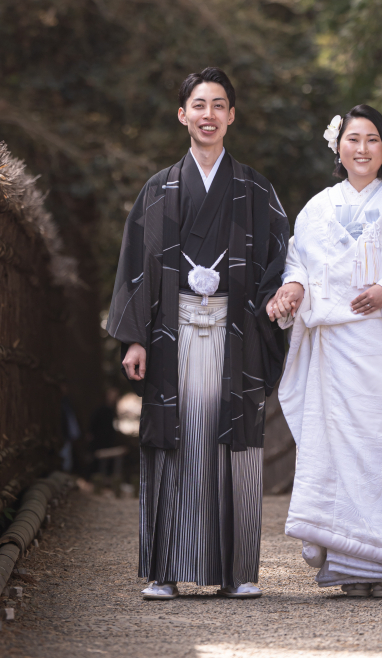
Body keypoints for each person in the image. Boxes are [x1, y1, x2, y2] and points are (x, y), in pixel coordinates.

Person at [106, 67, 289, 600]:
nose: (208, 114)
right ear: (182, 114)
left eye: (219, 105)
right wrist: (136, 336)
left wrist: (268, 302)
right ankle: (165, 569)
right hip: (171, 331)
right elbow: (135, 266)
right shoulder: (157, 189)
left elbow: (279, 260)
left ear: (232, 115)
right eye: (198, 104)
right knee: (171, 439)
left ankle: (237, 571)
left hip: (235, 332)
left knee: (233, 443)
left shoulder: (256, 189)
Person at [267, 106, 382, 597]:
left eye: (373, 139)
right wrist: (293, 289)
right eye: (353, 139)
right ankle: (346, 563)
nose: (363, 148)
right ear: (339, 147)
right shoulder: (317, 208)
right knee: (338, 448)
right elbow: (298, 262)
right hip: (334, 350)